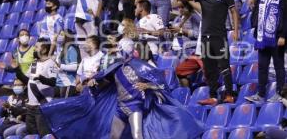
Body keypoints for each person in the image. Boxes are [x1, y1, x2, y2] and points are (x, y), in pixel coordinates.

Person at [40, 38, 204, 139]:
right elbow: (103, 79)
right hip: (120, 107)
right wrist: (94, 83)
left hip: (135, 107)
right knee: (114, 136)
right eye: (119, 49)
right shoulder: (116, 67)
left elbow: (162, 84)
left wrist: (147, 85)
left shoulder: (141, 66)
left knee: (137, 135)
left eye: (122, 50)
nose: (119, 52)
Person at [173, 0, 239, 105]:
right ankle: (213, 96)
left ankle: (229, 95)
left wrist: (235, 30)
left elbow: (234, 11)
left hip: (219, 35)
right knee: (209, 69)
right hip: (205, 37)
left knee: (224, 66)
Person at [244, 0, 287, 103]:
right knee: (262, 66)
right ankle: (261, 94)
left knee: (279, 66)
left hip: (276, 37)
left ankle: (281, 93)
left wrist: (283, 36)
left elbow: (286, 17)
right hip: (262, 37)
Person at [12, 38, 58, 137]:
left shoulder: (51, 64)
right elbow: (27, 80)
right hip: (30, 107)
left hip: (42, 106)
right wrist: (17, 70)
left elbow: (54, 82)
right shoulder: (35, 63)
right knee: (31, 135)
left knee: (43, 134)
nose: (34, 49)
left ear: (44, 50)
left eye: (37, 47)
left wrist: (41, 78)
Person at [55, 30, 81, 98]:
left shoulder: (71, 49)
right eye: (59, 34)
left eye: (62, 34)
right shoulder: (61, 49)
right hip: (60, 82)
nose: (59, 36)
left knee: (64, 105)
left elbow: (75, 67)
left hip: (68, 83)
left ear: (67, 37)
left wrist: (60, 66)